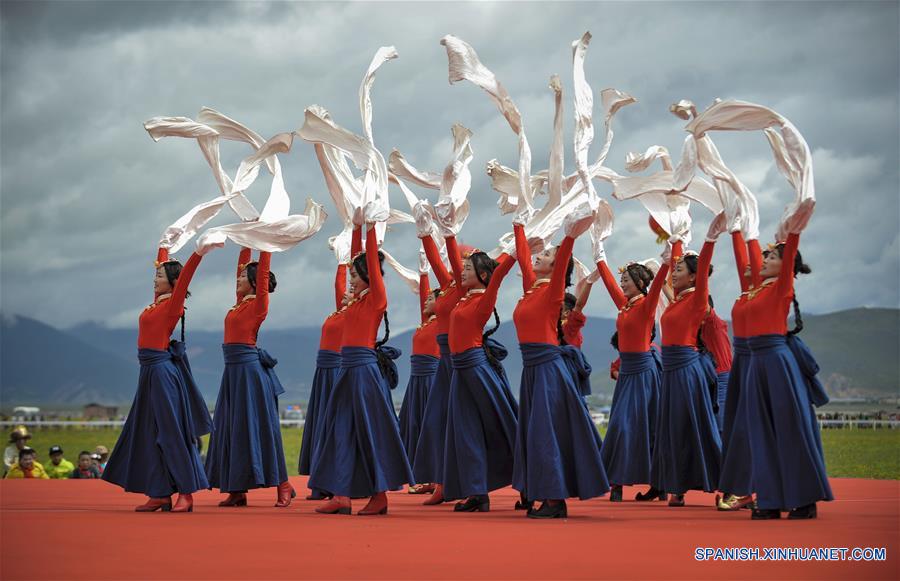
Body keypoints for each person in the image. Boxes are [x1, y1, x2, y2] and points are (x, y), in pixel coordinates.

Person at [102, 240, 217, 513]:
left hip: (163, 374)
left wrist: (198, 253)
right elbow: (163, 265)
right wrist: (164, 244)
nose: (154, 280)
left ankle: (186, 493)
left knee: (170, 434)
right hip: (148, 373)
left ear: (173, 282)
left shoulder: (172, 306)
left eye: (159, 276)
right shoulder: (157, 304)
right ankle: (160, 493)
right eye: (155, 275)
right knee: (147, 433)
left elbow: (185, 275)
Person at [309, 218, 413, 516]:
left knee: (371, 432)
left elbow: (368, 260)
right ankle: (341, 495)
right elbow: (352, 265)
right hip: (346, 370)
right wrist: (355, 225)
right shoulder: (352, 303)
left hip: (365, 372)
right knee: (340, 430)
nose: (351, 280)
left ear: (369, 275)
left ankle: (380, 495)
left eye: (355, 275)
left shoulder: (376, 300)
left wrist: (369, 228)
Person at [510, 213, 609, 519]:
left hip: (549, 371)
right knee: (534, 432)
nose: (541, 254)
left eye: (548, 255)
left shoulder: (553, 293)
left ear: (556, 268)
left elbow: (563, 260)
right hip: (532, 370)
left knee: (545, 433)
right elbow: (524, 258)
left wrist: (569, 238)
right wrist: (518, 223)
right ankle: (540, 492)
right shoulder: (530, 290)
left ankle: (555, 499)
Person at [743, 227, 833, 520]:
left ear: (787, 266)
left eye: (772, 256)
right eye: (765, 255)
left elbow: (790, 248)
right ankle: (770, 498)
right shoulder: (758, 287)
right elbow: (747, 250)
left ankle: (804, 498)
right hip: (756, 362)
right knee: (761, 433)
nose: (765, 259)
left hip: (778, 362)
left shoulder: (783, 286)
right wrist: (743, 228)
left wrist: (793, 228)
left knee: (789, 429)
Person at [205, 246, 294, 508]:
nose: (238, 279)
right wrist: (246, 238)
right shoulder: (238, 304)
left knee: (262, 428)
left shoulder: (258, 305)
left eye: (243, 277)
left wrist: (265, 245)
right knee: (231, 428)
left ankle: (284, 485)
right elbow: (242, 266)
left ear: (256, 282)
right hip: (232, 374)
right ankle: (236, 488)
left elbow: (262, 273)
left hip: (250, 375)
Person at [651, 216, 725, 507]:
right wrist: (673, 241)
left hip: (686, 370)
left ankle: (730, 484)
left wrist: (708, 239)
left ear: (695, 277)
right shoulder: (678, 300)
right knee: (672, 429)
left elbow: (702, 266)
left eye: (679, 269)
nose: (674, 272)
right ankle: (677, 485)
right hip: (670, 372)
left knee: (696, 428)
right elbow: (672, 268)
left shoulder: (697, 300)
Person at [442, 245, 519, 513]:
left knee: (503, 427)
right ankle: (477, 493)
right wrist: (446, 233)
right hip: (459, 370)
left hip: (476, 368)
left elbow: (499, 274)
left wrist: (514, 251)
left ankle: (531, 484)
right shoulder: (463, 297)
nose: (461, 272)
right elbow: (453, 261)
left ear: (483, 275)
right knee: (466, 433)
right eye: (462, 268)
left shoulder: (484, 298)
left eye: (468, 269)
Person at [593, 235, 668, 503]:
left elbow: (657, 286)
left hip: (644, 373)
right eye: (622, 280)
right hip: (627, 374)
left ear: (640, 284)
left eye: (627, 280)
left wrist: (666, 263)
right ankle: (617, 481)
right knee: (620, 426)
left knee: (642, 427)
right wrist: (599, 256)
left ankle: (655, 482)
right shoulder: (624, 307)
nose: (622, 283)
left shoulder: (647, 306)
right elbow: (610, 284)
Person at [298, 228, 362, 501]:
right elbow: (339, 285)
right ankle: (322, 481)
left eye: (355, 280)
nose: (349, 286)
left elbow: (360, 273)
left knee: (334, 427)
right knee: (321, 427)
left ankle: (337, 482)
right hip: (323, 373)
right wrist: (341, 259)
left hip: (338, 371)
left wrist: (358, 233)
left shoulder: (360, 309)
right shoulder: (342, 310)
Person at [412, 212, 468, 506]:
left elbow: (451, 265)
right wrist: (424, 235)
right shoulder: (448, 288)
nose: (459, 267)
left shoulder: (461, 289)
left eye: (466, 264)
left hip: (459, 360)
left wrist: (447, 234)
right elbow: (438, 265)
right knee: (436, 423)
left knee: (461, 424)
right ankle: (442, 482)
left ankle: (468, 486)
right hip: (445, 363)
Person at [716, 230, 763, 511]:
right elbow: (741, 260)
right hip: (742, 365)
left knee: (755, 428)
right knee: (739, 430)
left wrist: (748, 231)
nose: (748, 264)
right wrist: (735, 228)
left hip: (761, 361)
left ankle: (765, 489)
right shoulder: (746, 293)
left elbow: (749, 258)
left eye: (765, 259)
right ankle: (744, 489)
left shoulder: (767, 290)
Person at [399, 273, 440, 494]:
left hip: (431, 380)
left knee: (430, 427)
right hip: (416, 380)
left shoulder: (442, 320)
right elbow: (424, 296)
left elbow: (447, 292)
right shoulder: (427, 323)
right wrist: (423, 274)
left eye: (430, 299)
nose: (425, 300)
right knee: (414, 427)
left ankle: (436, 478)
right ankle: (423, 475)